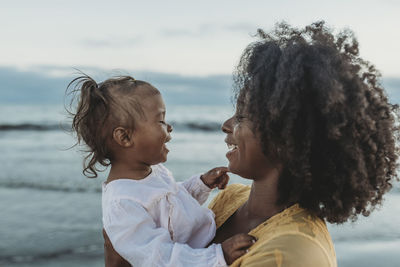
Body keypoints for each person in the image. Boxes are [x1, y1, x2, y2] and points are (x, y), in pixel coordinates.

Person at [103, 21, 399, 266]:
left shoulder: (292, 254)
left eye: (242, 115)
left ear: (287, 136)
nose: (227, 125)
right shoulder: (228, 199)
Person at [66, 75, 256, 267]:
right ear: (124, 137)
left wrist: (201, 184)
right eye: (161, 121)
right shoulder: (123, 203)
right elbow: (158, 257)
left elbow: (172, 206)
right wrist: (217, 256)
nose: (170, 127)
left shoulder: (153, 172)